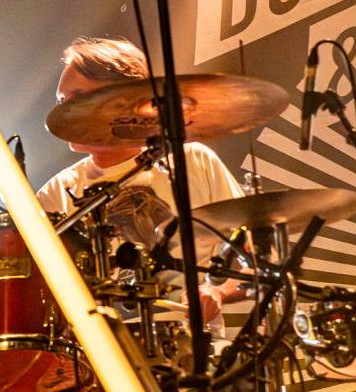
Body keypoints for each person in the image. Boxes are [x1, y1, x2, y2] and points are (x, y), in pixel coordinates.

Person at [34, 36, 246, 327]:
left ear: (123, 100)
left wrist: (216, 292)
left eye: (78, 98)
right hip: (99, 349)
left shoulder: (192, 161)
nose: (63, 111)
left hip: (191, 342)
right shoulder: (56, 192)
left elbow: (254, 256)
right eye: (61, 101)